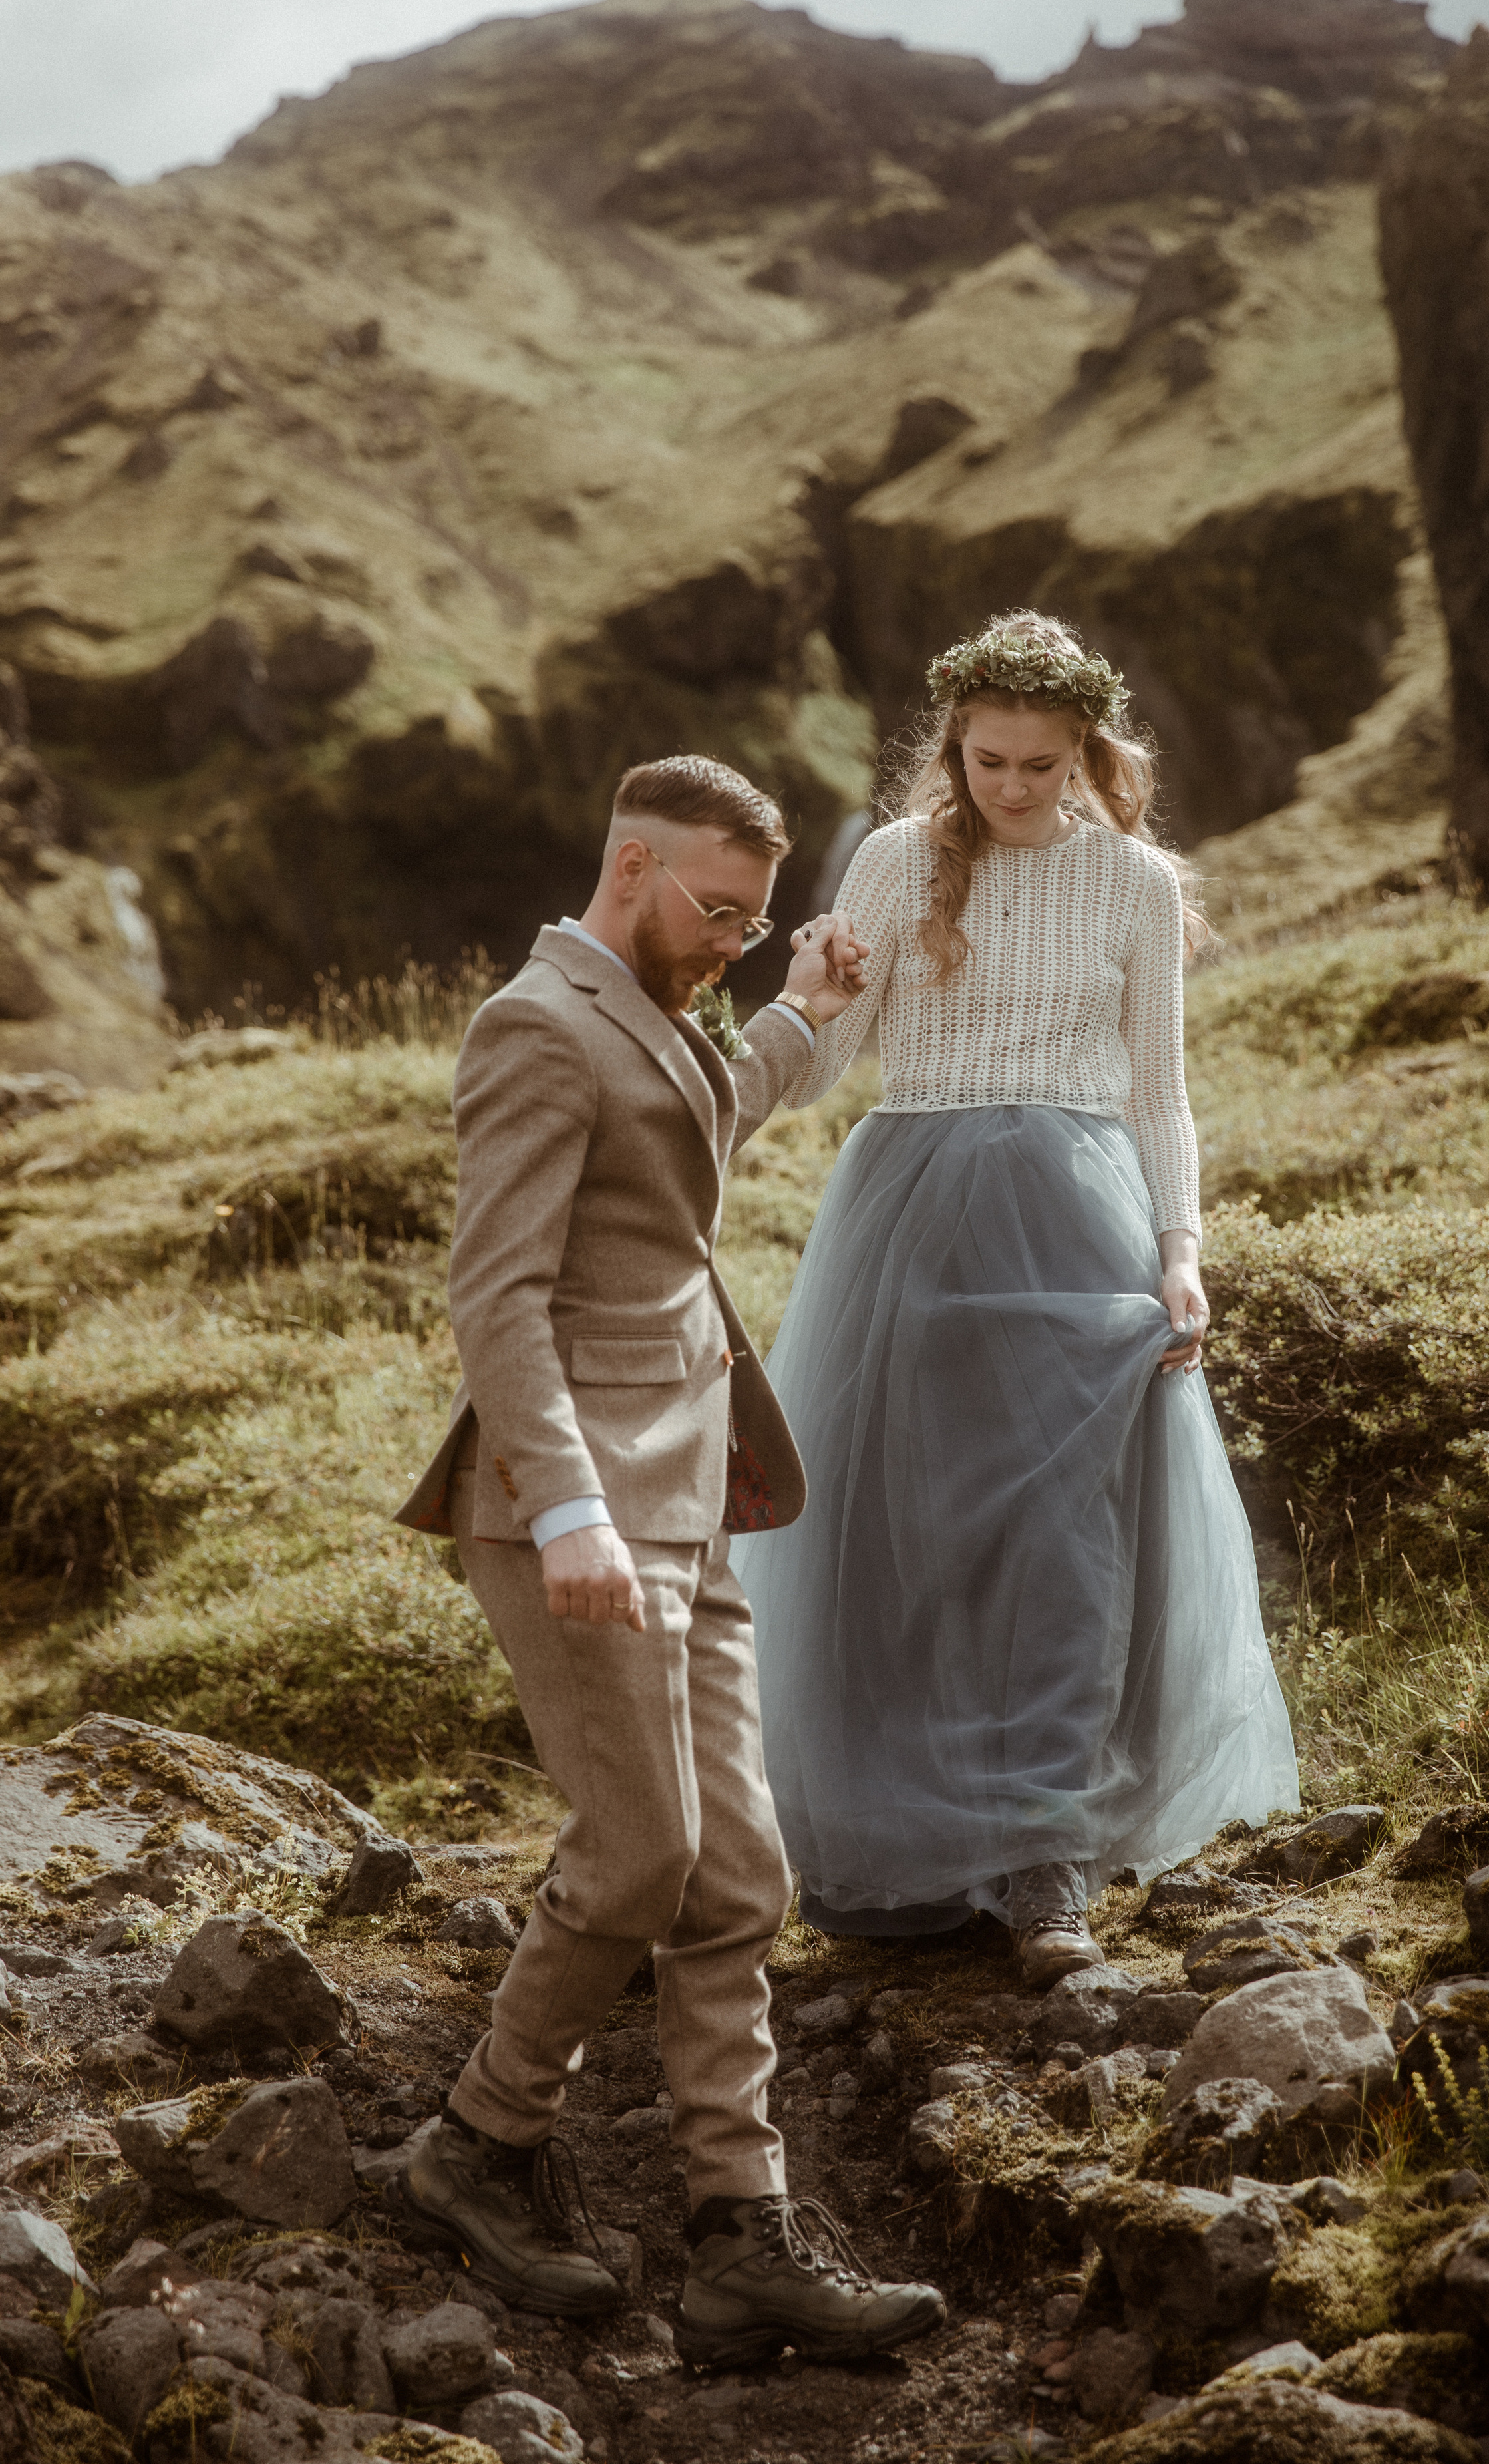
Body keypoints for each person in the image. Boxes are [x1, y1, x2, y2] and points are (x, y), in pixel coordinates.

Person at [391, 755, 944, 2367]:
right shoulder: (532, 1026)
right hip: (570, 1515)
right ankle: (476, 2147)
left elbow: (695, 1121)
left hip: (690, 1494)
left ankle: (739, 2238)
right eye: (716, 913)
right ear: (628, 866)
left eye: (751, 920)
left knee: (736, 1875)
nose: (727, 941)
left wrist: (799, 1009)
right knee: (638, 1857)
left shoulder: (650, 1013)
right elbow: (494, 1297)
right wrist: (562, 1506)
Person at [733, 612, 1299, 1989]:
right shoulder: (889, 860)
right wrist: (804, 999)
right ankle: (904, 1846)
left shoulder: (1135, 885)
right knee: (908, 1533)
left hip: (1078, 1220)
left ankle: (1046, 1868)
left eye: (1038, 766)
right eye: (985, 761)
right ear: (952, 749)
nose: (1008, 788)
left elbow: (1159, 1088)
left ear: (1086, 756)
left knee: (1066, 1541)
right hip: (910, 1221)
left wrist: (1179, 1248)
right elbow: (819, 1073)